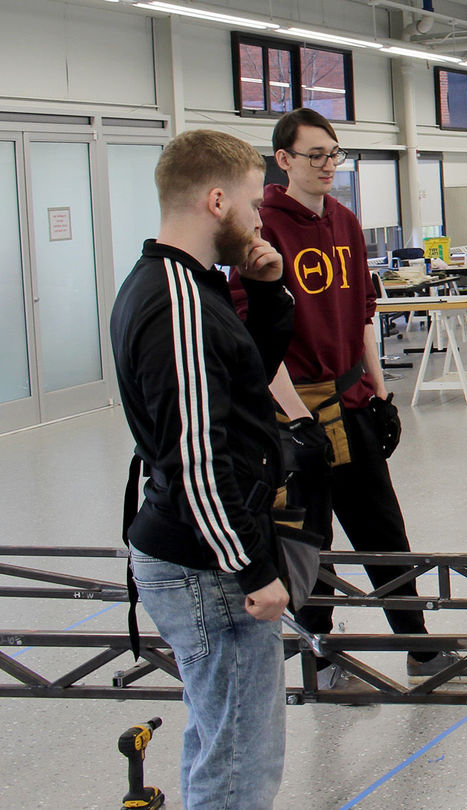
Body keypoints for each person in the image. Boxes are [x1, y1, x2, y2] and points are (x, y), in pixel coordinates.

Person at [236, 108, 467, 690]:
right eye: (315, 155)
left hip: (352, 405)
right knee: (310, 542)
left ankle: (421, 652)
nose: (328, 165)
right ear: (283, 160)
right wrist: (299, 421)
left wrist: (380, 395)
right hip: (293, 417)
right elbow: (256, 342)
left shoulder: (347, 222)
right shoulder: (261, 230)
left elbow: (361, 318)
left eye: (335, 154)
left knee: (384, 531)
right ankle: (322, 661)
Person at [111, 129, 291, 808]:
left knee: (220, 740)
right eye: (251, 204)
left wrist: (267, 294)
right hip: (208, 567)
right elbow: (197, 458)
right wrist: (251, 567)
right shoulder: (176, 302)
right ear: (217, 200)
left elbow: (244, 387)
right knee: (241, 762)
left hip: (201, 555)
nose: (258, 221)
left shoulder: (191, 285)